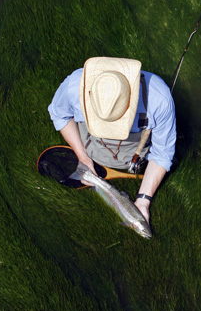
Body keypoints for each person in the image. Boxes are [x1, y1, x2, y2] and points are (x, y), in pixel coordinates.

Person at [48, 57, 176, 225]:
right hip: (91, 146)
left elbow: (162, 154)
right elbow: (59, 115)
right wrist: (83, 157)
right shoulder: (74, 86)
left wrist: (143, 200)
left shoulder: (159, 100)